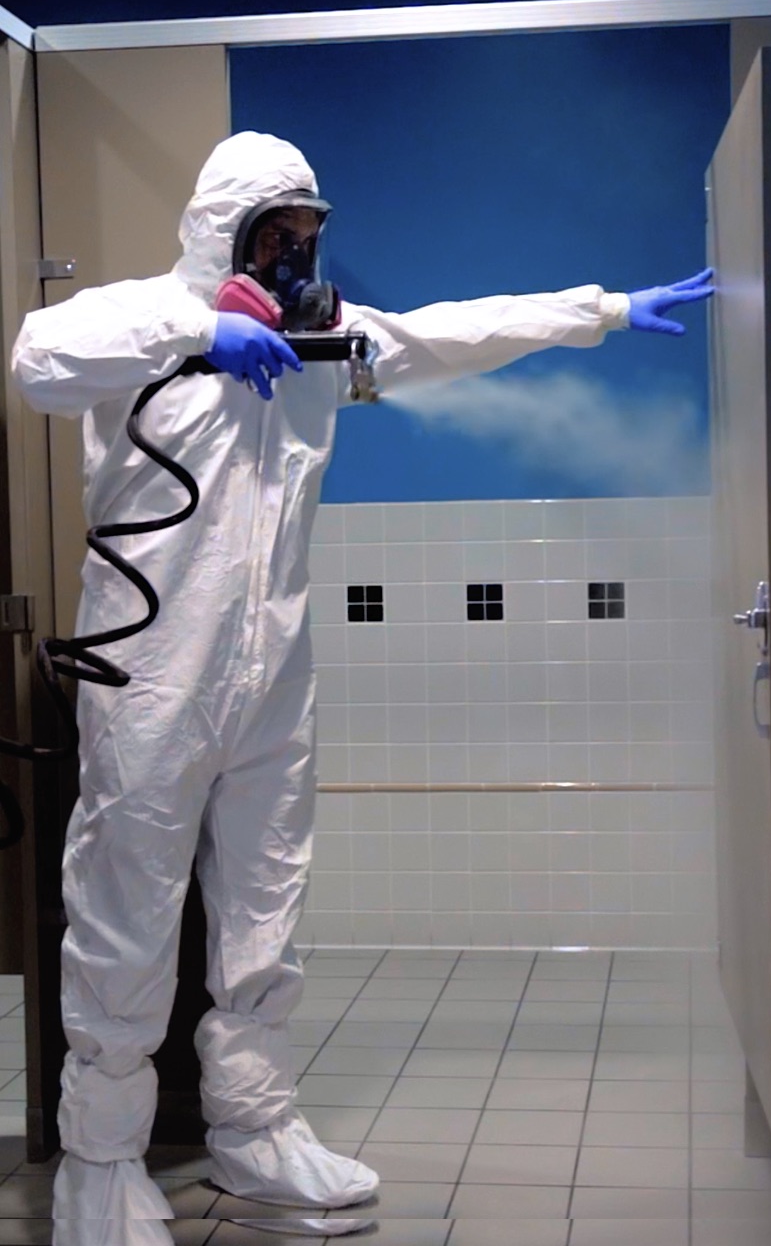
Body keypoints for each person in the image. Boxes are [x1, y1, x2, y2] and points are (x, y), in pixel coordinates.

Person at [10, 130, 713, 1245]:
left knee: (264, 911)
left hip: (271, 676)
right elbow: (37, 360)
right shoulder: (136, 320)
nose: (294, 259)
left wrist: (604, 308)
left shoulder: (317, 341)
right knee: (126, 913)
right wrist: (202, 329)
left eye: (308, 236)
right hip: (151, 673)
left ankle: (254, 1134)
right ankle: (100, 1164)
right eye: (274, 236)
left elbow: (446, 335)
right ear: (222, 233)